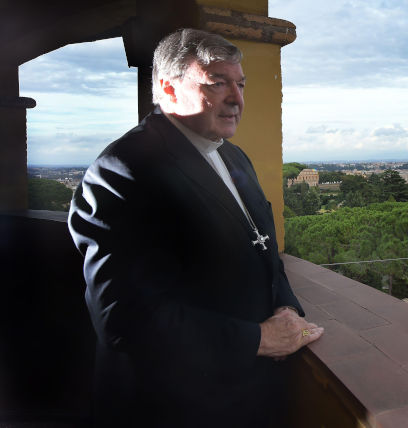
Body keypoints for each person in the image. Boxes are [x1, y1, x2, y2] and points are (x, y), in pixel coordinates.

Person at [68, 29, 323, 427]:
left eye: (239, 84)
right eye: (217, 83)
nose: (237, 99)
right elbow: (121, 316)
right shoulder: (122, 170)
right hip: (175, 406)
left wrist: (287, 307)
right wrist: (260, 339)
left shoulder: (235, 157)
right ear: (168, 90)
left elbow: (265, 250)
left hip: (248, 397)